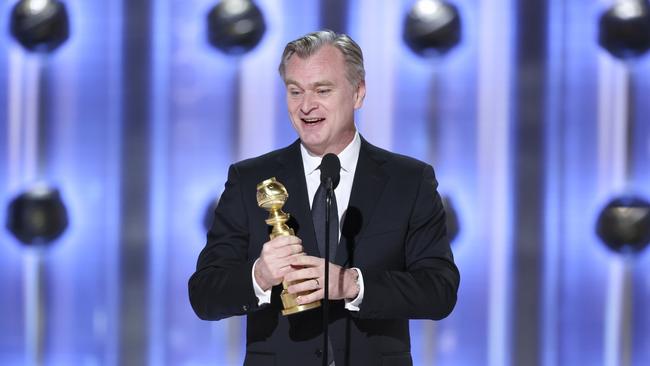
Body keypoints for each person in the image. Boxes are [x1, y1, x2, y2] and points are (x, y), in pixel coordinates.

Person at [188, 30, 459, 366]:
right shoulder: (248, 180)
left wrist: (350, 284)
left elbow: (439, 290)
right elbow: (204, 294)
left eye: (322, 90)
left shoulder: (409, 181)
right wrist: (259, 275)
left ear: (358, 92)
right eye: (295, 91)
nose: (306, 106)